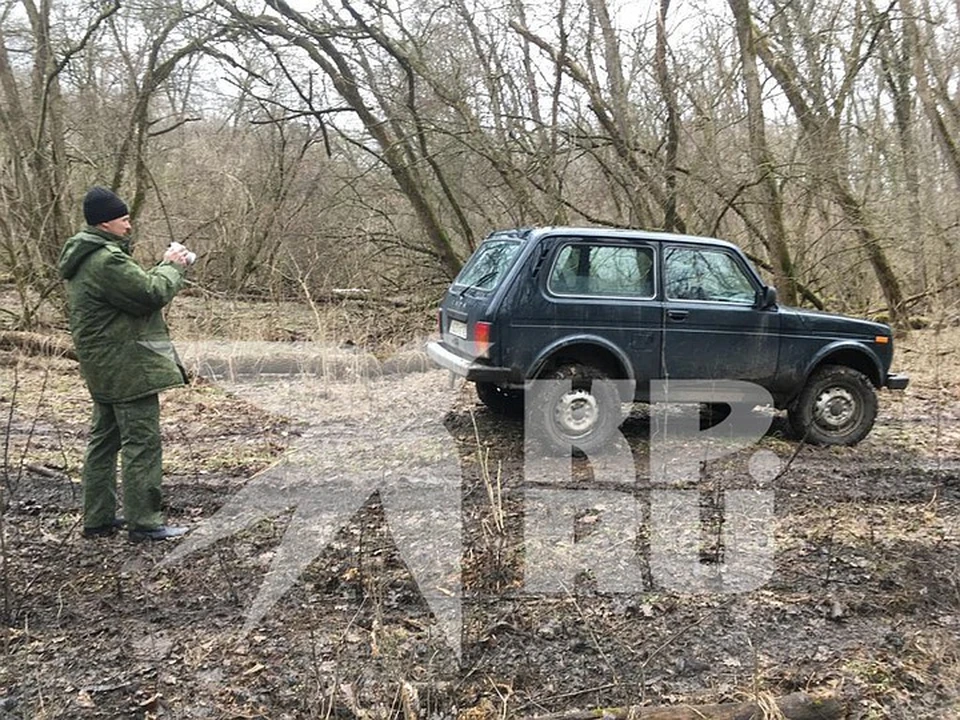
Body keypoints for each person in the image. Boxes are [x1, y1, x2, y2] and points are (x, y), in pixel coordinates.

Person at [58, 186, 192, 542]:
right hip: (128, 366)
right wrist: (172, 266)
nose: (129, 226)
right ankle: (145, 523)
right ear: (105, 223)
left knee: (104, 441)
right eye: (124, 219)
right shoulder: (106, 260)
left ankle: (98, 519)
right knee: (141, 443)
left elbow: (129, 293)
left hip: (103, 365)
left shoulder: (87, 257)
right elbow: (150, 294)